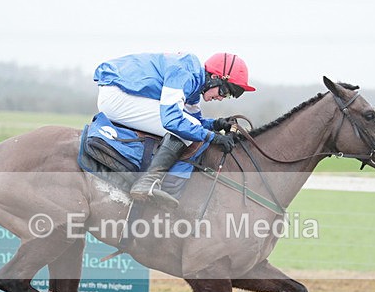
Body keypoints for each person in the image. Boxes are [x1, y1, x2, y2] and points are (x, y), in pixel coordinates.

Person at [93, 52, 256, 207]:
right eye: (223, 91)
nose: (221, 98)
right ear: (214, 77)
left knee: (190, 126)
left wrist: (217, 124)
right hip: (117, 96)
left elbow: (196, 121)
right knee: (185, 129)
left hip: (121, 92)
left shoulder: (195, 81)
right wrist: (213, 137)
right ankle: (147, 182)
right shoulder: (184, 73)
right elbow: (173, 120)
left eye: (226, 96)